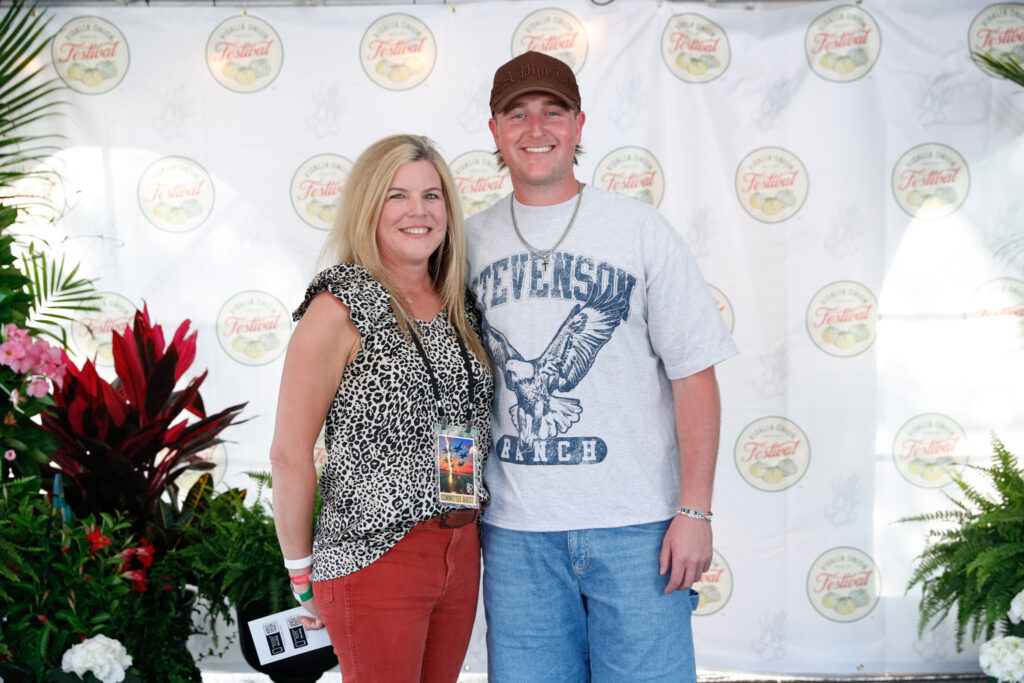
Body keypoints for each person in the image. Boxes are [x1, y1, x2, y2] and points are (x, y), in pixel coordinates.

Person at [465, 52, 739, 682]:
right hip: (515, 537)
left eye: (553, 112)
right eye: (517, 114)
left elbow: (694, 374)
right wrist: (455, 512)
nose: (536, 129)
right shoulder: (465, 242)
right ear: (495, 131)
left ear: (580, 125)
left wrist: (695, 511)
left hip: (639, 528)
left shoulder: (639, 230)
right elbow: (451, 392)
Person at [269, 134, 493, 682]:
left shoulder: (459, 304)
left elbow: (457, 420)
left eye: (432, 196)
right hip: (376, 556)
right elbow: (290, 455)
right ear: (368, 206)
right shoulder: (338, 307)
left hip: (460, 548)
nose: (419, 211)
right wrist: (299, 572)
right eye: (398, 196)